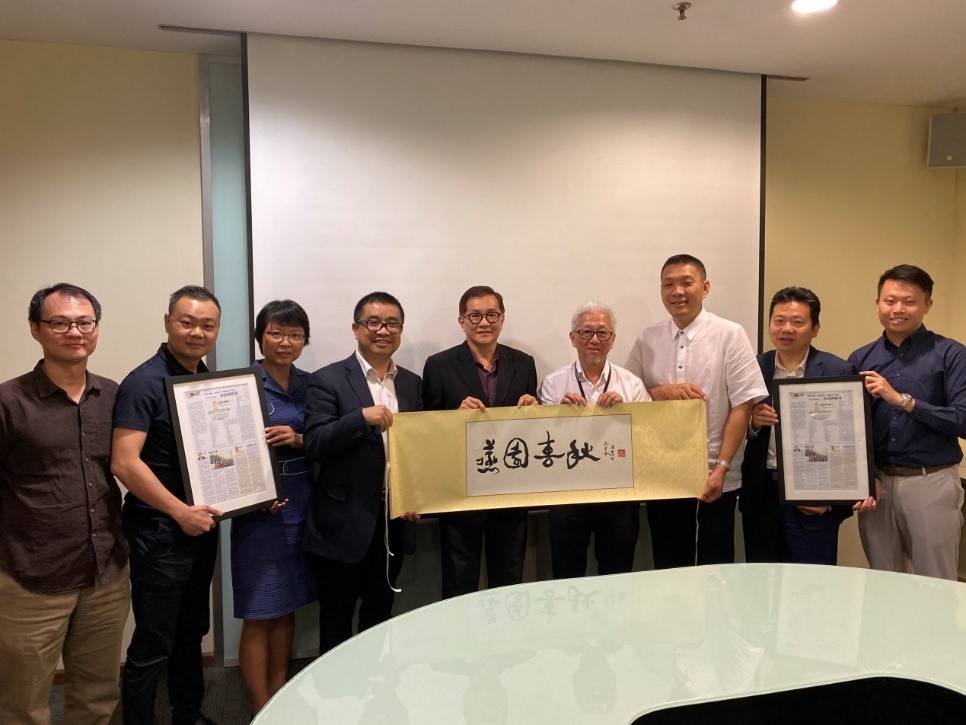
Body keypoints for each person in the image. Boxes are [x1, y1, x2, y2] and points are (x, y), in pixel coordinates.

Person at [0, 283, 130, 725]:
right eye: (59, 323)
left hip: (105, 574)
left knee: (98, 696)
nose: (74, 332)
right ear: (35, 329)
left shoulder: (113, 396)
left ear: (96, 329)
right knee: (22, 704)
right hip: (30, 579)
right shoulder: (8, 402)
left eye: (84, 322)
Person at [112, 285, 223, 725]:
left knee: (191, 631)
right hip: (159, 532)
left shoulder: (205, 380)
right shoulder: (144, 383)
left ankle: (188, 715)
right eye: (187, 322)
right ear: (167, 323)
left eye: (207, 325)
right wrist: (179, 511)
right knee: (153, 642)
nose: (197, 332)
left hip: (200, 528)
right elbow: (124, 462)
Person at [625, 254, 767, 568]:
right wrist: (660, 392)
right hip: (664, 472)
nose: (677, 291)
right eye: (668, 284)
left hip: (716, 471)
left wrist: (722, 467)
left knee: (715, 564)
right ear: (661, 291)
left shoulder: (730, 334)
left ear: (705, 287)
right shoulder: (648, 338)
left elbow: (742, 405)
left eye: (686, 283)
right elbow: (628, 396)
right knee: (669, 564)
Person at [302, 292, 421, 655]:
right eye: (373, 322)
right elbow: (315, 443)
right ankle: (334, 692)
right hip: (343, 522)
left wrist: (417, 496)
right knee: (335, 622)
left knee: (380, 616)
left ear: (401, 330)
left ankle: (374, 686)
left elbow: (419, 451)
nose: (383, 330)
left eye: (392, 324)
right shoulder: (327, 379)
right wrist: (359, 419)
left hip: (393, 522)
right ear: (356, 329)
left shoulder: (412, 383)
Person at [849, 264, 965, 580]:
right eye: (890, 301)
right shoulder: (860, 359)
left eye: (909, 301)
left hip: (931, 482)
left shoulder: (951, 354)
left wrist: (903, 401)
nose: (898, 309)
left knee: (936, 582)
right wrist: (866, 477)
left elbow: (962, 419)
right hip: (878, 486)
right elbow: (853, 428)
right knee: (884, 581)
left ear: (928, 304)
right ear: (877, 303)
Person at [422, 285, 539, 598]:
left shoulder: (524, 363)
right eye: (475, 316)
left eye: (491, 315)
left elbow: (531, 431)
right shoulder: (439, 365)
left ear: (503, 318)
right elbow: (426, 430)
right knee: (459, 584)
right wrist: (454, 417)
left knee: (509, 579)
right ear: (462, 321)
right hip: (460, 493)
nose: (484, 322)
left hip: (510, 492)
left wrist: (535, 411)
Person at [230, 300, 317, 713]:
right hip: (259, 514)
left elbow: (325, 437)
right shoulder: (240, 385)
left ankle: (279, 696)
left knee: (287, 605)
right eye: (276, 333)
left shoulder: (312, 384)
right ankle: (260, 707)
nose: (285, 342)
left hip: (305, 506)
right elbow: (225, 452)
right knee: (260, 610)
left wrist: (299, 439)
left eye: (295, 334)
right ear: (260, 336)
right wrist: (255, 496)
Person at [740, 287, 856, 565]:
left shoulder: (838, 370)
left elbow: (852, 441)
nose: (786, 329)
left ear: (815, 329)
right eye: (779, 321)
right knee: (761, 579)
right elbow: (734, 422)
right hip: (762, 494)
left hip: (813, 496)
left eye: (797, 322)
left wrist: (831, 502)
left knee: (812, 582)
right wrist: (752, 423)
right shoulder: (753, 368)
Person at [538, 302, 649, 578]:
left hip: (619, 495)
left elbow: (648, 438)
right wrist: (559, 415)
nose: (594, 340)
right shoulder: (553, 384)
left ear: (613, 339)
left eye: (602, 332)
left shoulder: (631, 384)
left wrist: (626, 413)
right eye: (586, 332)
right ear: (573, 338)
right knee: (566, 575)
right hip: (568, 495)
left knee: (617, 576)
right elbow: (542, 441)